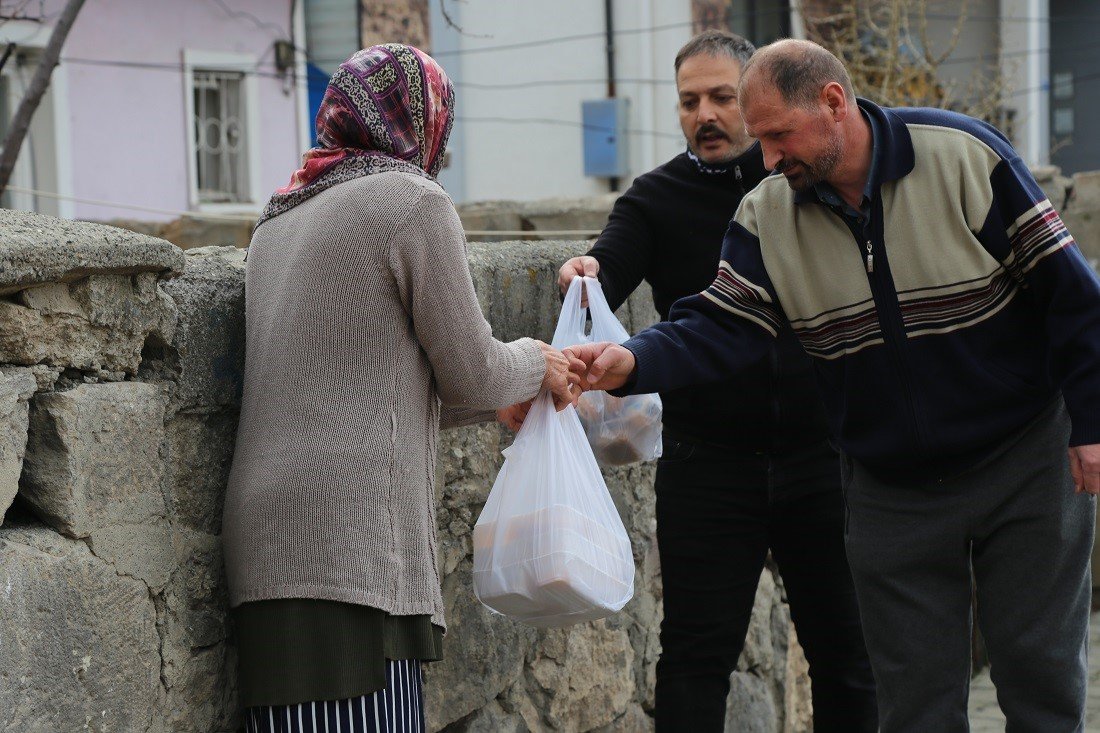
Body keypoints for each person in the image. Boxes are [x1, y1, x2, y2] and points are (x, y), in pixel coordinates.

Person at [566, 38, 1100, 733]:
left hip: (1023, 457)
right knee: (913, 701)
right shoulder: (767, 213)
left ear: (833, 102)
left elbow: (1073, 297)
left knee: (1038, 678)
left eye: (779, 135)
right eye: (760, 139)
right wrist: (631, 361)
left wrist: (1091, 423)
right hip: (890, 487)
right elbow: (719, 323)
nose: (767, 158)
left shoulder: (966, 157)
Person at [221, 44, 580, 733]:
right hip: (347, 541)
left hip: (269, 539)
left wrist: (492, 401)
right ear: (427, 120)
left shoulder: (278, 219)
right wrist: (541, 361)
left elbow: (364, 385)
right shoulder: (411, 200)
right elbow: (473, 365)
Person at [555, 30, 875, 732]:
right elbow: (608, 266)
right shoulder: (656, 198)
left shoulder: (808, 180)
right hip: (708, 465)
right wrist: (584, 276)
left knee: (847, 655)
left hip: (823, 457)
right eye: (690, 101)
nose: (706, 114)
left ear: (757, 99)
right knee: (695, 659)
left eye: (723, 98)